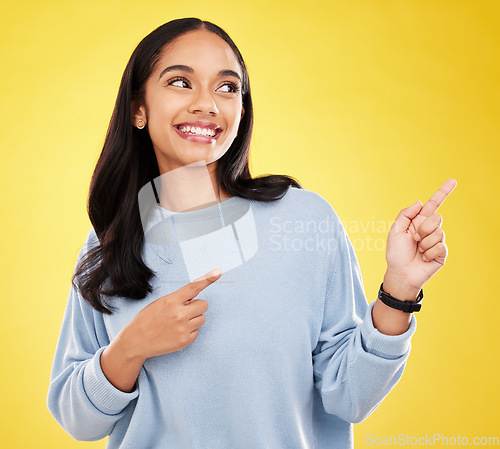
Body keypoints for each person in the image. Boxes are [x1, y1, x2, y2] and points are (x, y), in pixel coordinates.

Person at [47, 17, 456, 449]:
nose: (207, 103)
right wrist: (130, 348)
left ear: (241, 110)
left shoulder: (304, 219)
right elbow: (80, 422)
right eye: (181, 82)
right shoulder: (111, 241)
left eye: (226, 88)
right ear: (138, 109)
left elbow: (349, 396)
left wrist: (399, 290)